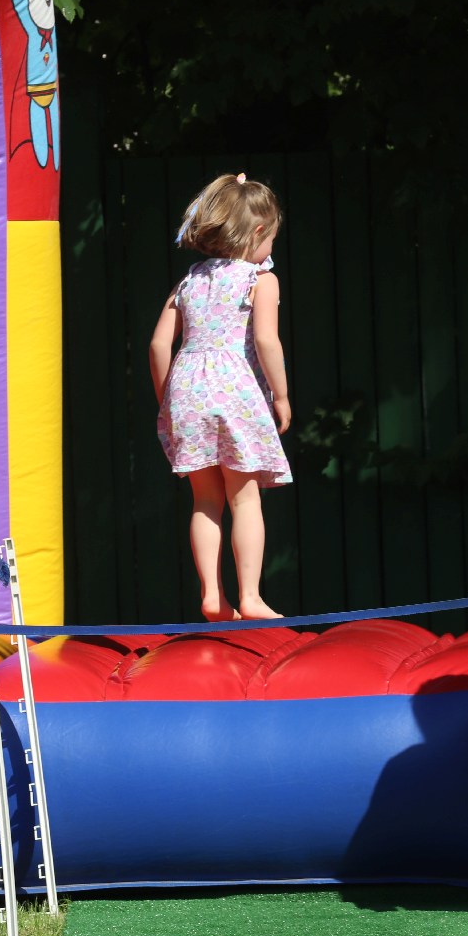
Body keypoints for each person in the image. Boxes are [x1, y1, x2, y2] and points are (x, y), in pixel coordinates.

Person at [149, 172, 292, 622]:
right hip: (235, 390)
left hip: (186, 388)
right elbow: (267, 341)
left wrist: (166, 400)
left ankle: (213, 595)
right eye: (271, 237)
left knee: (205, 500)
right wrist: (282, 395)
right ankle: (250, 597)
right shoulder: (259, 280)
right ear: (256, 233)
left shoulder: (189, 281)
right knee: (245, 498)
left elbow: (157, 345)